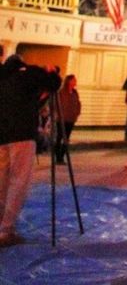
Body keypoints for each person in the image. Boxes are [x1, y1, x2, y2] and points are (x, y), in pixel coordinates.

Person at [0, 53, 61, 247]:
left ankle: (2, 224)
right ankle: (6, 229)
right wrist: (50, 72)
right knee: (19, 182)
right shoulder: (27, 74)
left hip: (2, 136)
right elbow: (54, 83)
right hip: (22, 136)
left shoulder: (3, 78)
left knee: (2, 182)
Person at [55, 73, 81, 164]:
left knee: (66, 138)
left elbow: (78, 103)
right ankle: (57, 157)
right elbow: (57, 104)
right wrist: (58, 115)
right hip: (62, 119)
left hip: (71, 119)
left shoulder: (74, 92)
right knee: (59, 137)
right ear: (69, 81)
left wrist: (77, 113)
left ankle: (62, 156)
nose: (75, 82)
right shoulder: (61, 92)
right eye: (74, 80)